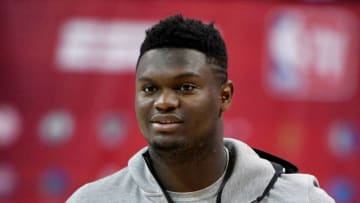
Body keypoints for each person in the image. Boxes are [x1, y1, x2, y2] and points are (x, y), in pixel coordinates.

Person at [66, 14, 335, 203]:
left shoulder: (299, 198)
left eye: (185, 87)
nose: (164, 102)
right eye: (149, 89)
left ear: (224, 96)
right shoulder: (91, 200)